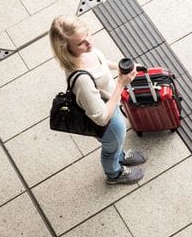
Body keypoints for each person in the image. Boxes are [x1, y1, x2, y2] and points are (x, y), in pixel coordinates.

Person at [49, 15, 146, 184]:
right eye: (81, 42)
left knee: (117, 143)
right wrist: (121, 84)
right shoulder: (82, 81)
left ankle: (120, 155)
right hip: (107, 119)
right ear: (66, 49)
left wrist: (121, 67)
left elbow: (101, 62)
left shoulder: (84, 51)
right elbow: (100, 118)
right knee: (111, 147)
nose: (89, 43)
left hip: (111, 104)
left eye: (88, 34)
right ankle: (114, 173)